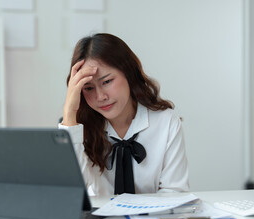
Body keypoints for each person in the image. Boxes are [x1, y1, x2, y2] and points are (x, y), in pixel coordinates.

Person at [59, 33, 189, 196]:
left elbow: (174, 192)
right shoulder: (77, 128)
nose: (101, 97)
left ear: (128, 73)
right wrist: (69, 113)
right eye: (88, 88)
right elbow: (69, 192)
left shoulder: (166, 122)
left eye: (107, 82)